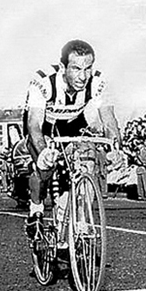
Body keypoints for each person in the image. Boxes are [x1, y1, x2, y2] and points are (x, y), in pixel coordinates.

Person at [23, 39, 120, 239]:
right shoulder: (43, 82)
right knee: (46, 168)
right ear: (62, 67)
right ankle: (36, 208)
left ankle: (82, 221)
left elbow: (109, 120)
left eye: (88, 68)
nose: (83, 76)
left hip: (73, 123)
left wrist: (116, 148)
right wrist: (43, 153)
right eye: (76, 69)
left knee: (87, 161)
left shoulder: (98, 83)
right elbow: (33, 124)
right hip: (45, 127)